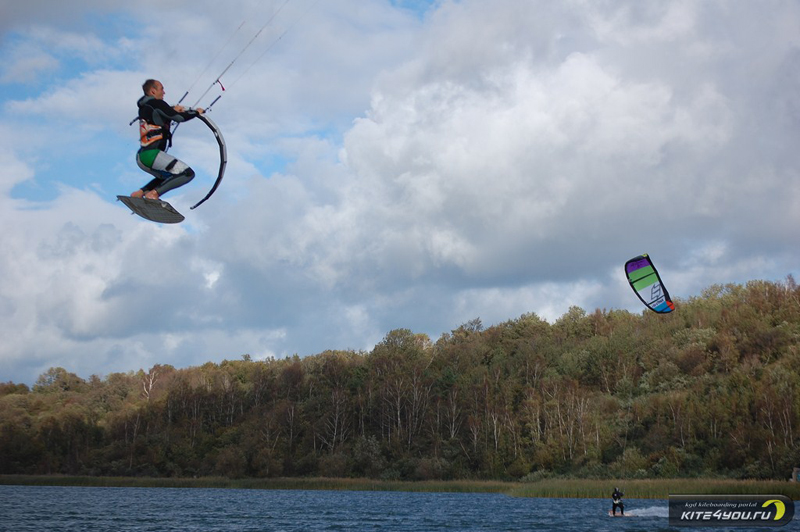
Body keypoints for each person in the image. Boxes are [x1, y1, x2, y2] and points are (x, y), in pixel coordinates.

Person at [132, 79, 204, 200]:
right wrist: (196, 112)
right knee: (187, 174)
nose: (164, 92)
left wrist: (172, 109)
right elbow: (179, 117)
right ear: (153, 91)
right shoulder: (158, 103)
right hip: (152, 155)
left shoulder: (145, 107)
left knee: (168, 175)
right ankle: (153, 194)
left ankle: (139, 193)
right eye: (162, 89)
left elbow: (160, 115)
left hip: (142, 156)